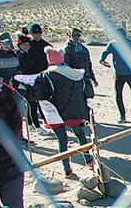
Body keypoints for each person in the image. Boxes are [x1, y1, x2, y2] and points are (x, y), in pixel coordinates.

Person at [31, 47, 94, 179]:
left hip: (56, 113)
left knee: (62, 140)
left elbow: (39, 94)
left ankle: (67, 169)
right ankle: (89, 160)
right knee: (81, 136)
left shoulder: (46, 75)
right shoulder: (76, 74)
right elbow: (87, 90)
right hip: (75, 111)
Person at [100, 28, 131, 123]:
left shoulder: (130, 43)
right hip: (119, 74)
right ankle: (122, 115)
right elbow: (105, 52)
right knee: (118, 95)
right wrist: (102, 60)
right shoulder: (113, 44)